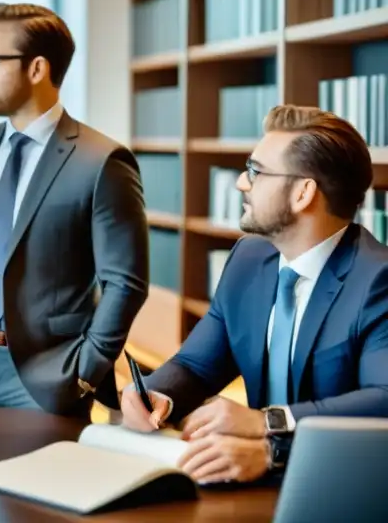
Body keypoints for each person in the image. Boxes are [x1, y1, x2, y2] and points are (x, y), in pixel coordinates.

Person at [0, 3, 149, 416]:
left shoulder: (102, 161)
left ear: (37, 69)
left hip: (47, 379)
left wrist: (85, 373)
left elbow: (125, 284)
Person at [121, 106, 388, 485]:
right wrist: (155, 393)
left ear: (303, 193)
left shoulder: (378, 280)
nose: (241, 184)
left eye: (255, 172)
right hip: (249, 479)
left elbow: (383, 400)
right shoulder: (248, 258)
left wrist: (269, 424)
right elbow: (197, 365)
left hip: (344, 487)